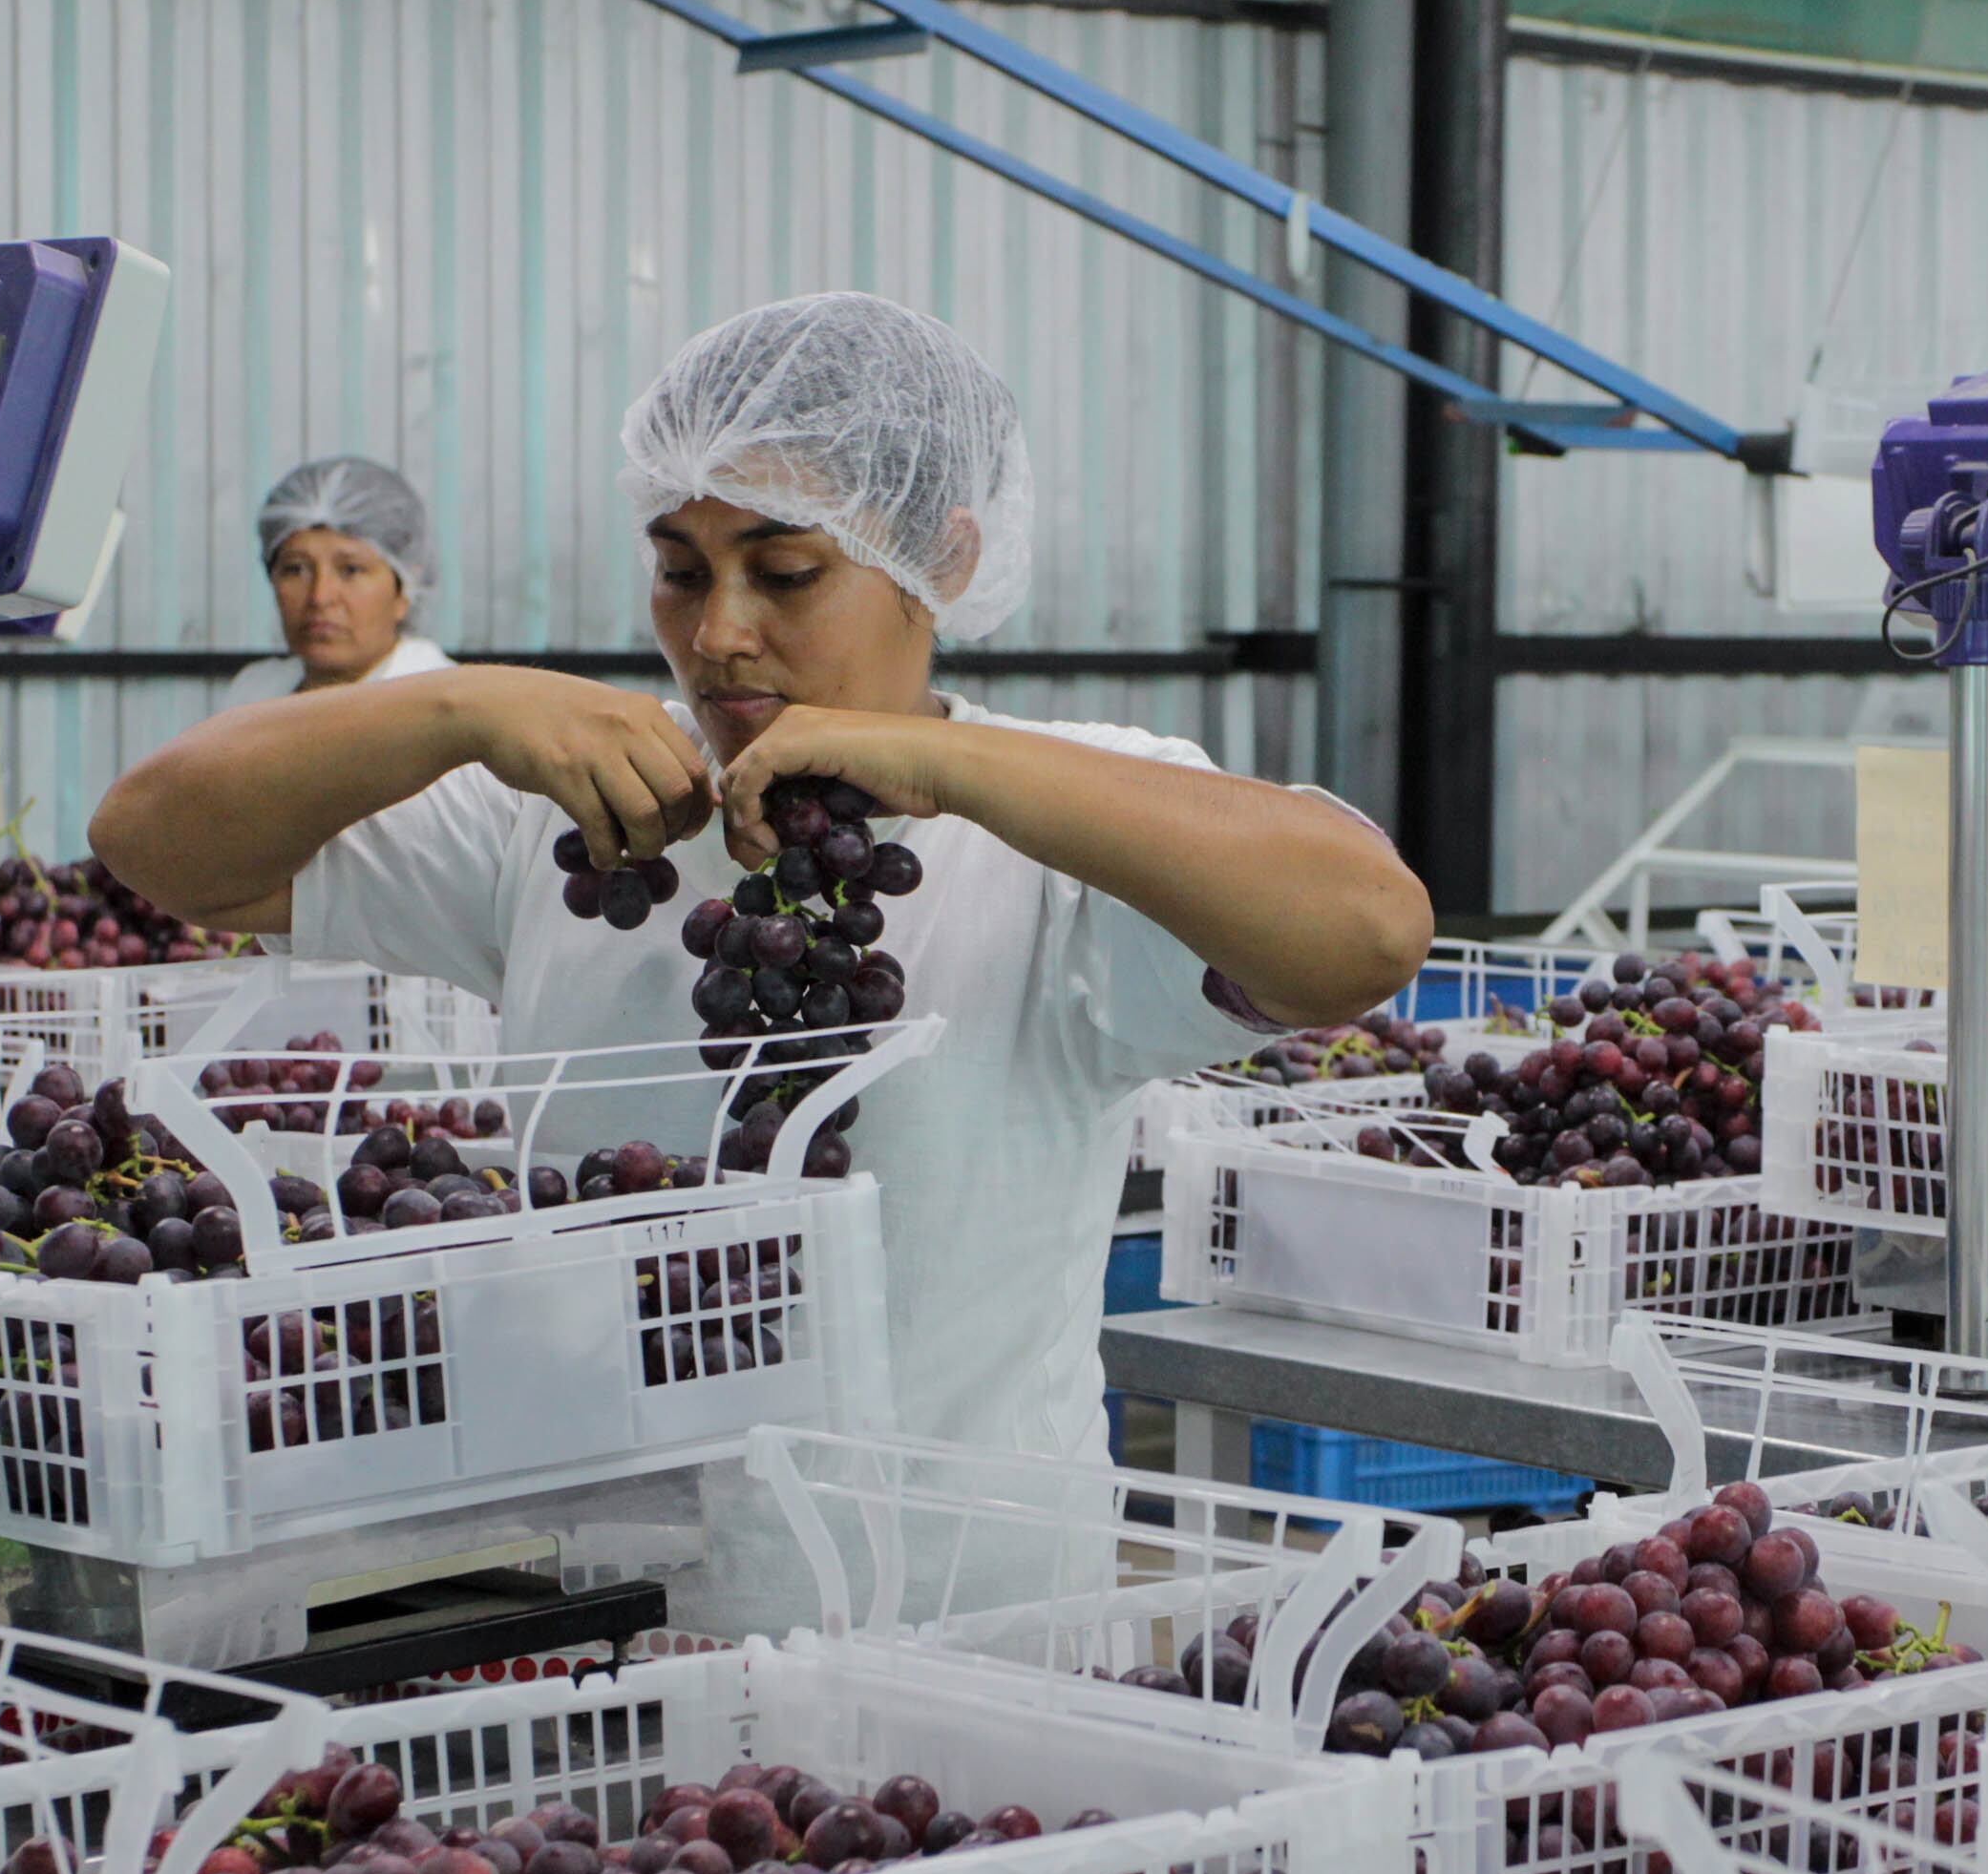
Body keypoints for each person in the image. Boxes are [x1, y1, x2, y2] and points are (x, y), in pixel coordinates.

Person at [91, 294, 1435, 1619]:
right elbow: (158, 843)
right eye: (681, 569)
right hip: (593, 1622)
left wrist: (948, 766)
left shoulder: (1058, 832)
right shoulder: (581, 813)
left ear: (944, 558)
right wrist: (449, 706)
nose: (719, 631)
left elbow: (1365, 930)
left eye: (786, 574)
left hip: (954, 1635)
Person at [222, 456, 455, 705]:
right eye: (296, 569)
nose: (320, 597)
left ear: (406, 591)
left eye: (351, 570)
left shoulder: (443, 706)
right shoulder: (254, 694)